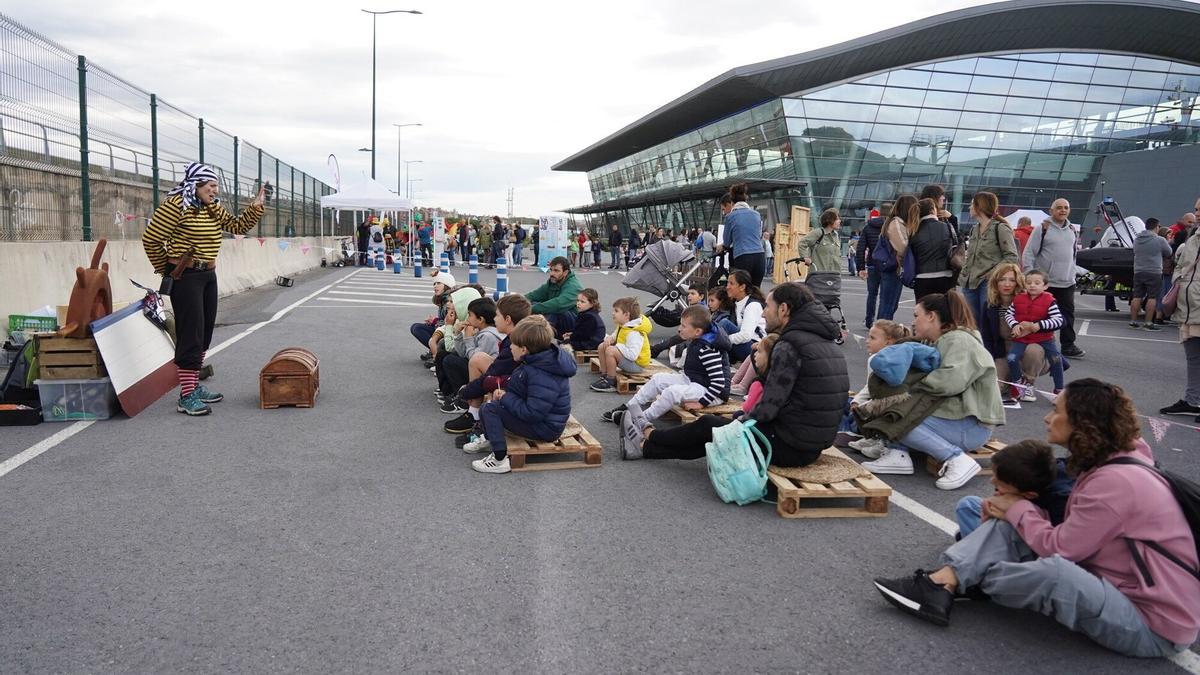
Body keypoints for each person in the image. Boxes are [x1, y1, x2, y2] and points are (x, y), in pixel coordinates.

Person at [873, 379, 1199, 658]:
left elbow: (1061, 550)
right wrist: (1013, 508)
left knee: (1052, 569)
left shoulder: (1117, 482)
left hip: (1152, 624)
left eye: (1056, 411)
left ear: (1081, 424)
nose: (1046, 417)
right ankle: (944, 581)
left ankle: (964, 577)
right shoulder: (1110, 458)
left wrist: (1016, 509)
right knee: (1001, 510)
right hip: (1112, 581)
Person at [622, 282, 849, 468]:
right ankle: (646, 448)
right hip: (809, 445)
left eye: (767, 306)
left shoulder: (790, 345)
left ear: (784, 310)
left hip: (786, 445)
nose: (763, 312)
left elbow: (769, 407)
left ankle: (649, 434)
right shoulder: (825, 343)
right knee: (718, 433)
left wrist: (738, 420)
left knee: (708, 426)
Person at [141, 162, 266, 416]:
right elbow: (151, 239)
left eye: (216, 186)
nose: (214, 190)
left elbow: (237, 226)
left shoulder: (212, 207)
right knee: (190, 334)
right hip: (186, 276)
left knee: (205, 331)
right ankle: (186, 396)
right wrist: (167, 268)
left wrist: (256, 206)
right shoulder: (176, 207)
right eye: (210, 186)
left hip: (208, 274)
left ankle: (193, 386)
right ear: (196, 185)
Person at [861, 291, 1005, 490]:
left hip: (972, 426)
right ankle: (898, 454)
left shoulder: (959, 340)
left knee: (899, 414)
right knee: (895, 411)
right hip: (958, 419)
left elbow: (949, 382)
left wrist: (908, 385)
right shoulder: (942, 339)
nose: (913, 322)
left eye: (916, 316)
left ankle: (956, 459)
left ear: (931, 316)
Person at [465, 316, 577, 474]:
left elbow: (533, 413)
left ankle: (499, 459)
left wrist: (505, 397)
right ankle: (491, 439)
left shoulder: (542, 374)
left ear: (524, 349)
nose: (510, 348)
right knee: (490, 405)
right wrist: (504, 392)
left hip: (545, 428)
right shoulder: (535, 361)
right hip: (541, 420)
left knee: (490, 409)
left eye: (513, 345)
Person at [601, 305, 730, 426]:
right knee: (658, 379)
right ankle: (630, 406)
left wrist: (702, 403)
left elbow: (719, 382)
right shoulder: (699, 339)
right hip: (696, 380)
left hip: (712, 392)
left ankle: (640, 420)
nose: (679, 329)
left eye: (683, 326)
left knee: (671, 392)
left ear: (697, 331)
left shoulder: (708, 349)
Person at [443, 295, 532, 439]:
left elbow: (493, 374)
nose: (494, 319)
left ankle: (484, 429)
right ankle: (474, 414)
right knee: (479, 360)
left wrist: (466, 392)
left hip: (522, 391)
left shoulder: (514, 344)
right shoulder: (514, 337)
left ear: (508, 319)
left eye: (497, 315)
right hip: (518, 381)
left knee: (493, 388)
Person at [953, 439, 1073, 540]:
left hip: (1035, 539)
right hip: (1027, 516)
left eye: (1000, 484)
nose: (991, 481)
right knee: (968, 504)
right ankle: (975, 540)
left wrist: (1010, 515)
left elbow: (1052, 543)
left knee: (997, 525)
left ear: (1030, 495)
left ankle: (979, 552)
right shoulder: (1038, 471)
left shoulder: (1060, 502)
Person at [977, 263, 1051, 406]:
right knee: (991, 391)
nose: (1007, 284)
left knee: (1034, 349)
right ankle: (1010, 381)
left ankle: (1027, 383)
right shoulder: (989, 305)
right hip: (1003, 354)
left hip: (1029, 352)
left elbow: (1060, 321)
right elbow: (986, 337)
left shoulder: (1032, 301)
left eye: (1011, 280)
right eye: (1002, 279)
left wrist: (1035, 326)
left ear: (1018, 282)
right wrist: (988, 363)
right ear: (995, 282)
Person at [1021, 198, 1083, 357]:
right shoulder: (1042, 228)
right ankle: (1036, 343)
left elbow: (1073, 254)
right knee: (1040, 314)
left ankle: (1068, 346)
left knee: (1067, 315)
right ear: (1051, 210)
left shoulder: (1071, 229)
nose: (1063, 210)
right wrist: (1030, 276)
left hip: (1067, 281)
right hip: (1046, 283)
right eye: (1059, 208)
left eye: (1066, 208)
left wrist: (1073, 272)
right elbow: (1029, 253)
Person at [847, 319, 916, 458]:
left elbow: (888, 393)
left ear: (888, 342)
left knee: (854, 417)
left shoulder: (890, 362)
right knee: (848, 405)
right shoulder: (874, 358)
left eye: (872, 338)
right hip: (878, 401)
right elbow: (870, 386)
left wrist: (864, 405)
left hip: (891, 405)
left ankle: (881, 440)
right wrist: (857, 400)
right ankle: (872, 437)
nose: (867, 341)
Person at [960, 191, 1019, 327]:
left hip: (987, 284)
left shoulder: (1000, 228)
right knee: (972, 323)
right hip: (969, 283)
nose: (969, 208)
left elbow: (1011, 257)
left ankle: (988, 348)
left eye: (971, 205)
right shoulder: (974, 229)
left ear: (979, 207)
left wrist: (991, 274)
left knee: (987, 323)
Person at [1161, 218, 1200, 421]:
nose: (1198, 213)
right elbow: (1181, 265)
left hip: (1196, 302)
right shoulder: (1193, 237)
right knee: (1193, 357)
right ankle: (1192, 401)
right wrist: (1178, 280)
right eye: (1197, 209)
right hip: (1188, 305)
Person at [1005, 269, 1066, 396]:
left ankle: (1059, 389)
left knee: (1056, 360)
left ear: (1045, 286)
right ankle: (1018, 383)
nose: (1032, 285)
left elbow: (1059, 320)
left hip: (1044, 338)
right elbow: (1009, 314)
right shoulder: (1018, 299)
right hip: (1021, 338)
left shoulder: (1050, 301)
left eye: (1037, 283)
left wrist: (1039, 325)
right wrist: (1014, 324)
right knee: (1011, 359)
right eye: (1029, 282)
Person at [438, 296, 501, 414]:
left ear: (480, 319)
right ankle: (456, 393)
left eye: (470, 315)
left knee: (451, 360)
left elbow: (474, 359)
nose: (468, 317)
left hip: (487, 374)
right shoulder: (479, 330)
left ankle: (464, 400)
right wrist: (458, 334)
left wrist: (468, 338)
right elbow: (463, 353)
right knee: (446, 356)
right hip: (481, 370)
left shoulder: (487, 336)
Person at [590, 297, 653, 393]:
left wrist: (617, 346)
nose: (613, 313)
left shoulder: (634, 333)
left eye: (616, 311)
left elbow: (633, 356)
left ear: (626, 315)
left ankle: (610, 381)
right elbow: (615, 335)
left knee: (610, 350)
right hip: (629, 359)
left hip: (637, 365)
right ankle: (604, 375)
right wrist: (609, 339)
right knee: (602, 346)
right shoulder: (623, 325)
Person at [875, 196, 918, 321]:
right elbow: (902, 246)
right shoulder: (896, 223)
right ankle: (882, 334)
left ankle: (883, 332)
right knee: (888, 305)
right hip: (893, 268)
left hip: (895, 268)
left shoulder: (897, 222)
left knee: (890, 304)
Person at [716, 183, 767, 287]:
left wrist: (721, 246)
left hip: (743, 257)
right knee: (756, 290)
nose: (724, 212)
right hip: (760, 256)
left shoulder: (731, 217)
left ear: (730, 203)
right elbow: (758, 235)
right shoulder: (756, 214)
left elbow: (727, 242)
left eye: (723, 209)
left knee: (741, 291)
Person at [908, 198, 957, 302]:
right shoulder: (947, 226)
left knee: (923, 311)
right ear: (932, 210)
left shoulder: (913, 230)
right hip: (945, 275)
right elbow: (957, 245)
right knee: (945, 312)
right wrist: (952, 218)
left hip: (922, 276)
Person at [1130, 218, 1173, 330]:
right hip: (1154, 271)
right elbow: (1169, 252)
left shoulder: (1137, 239)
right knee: (1152, 297)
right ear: (1157, 227)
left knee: (1137, 296)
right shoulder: (1159, 240)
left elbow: (1134, 251)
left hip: (1138, 270)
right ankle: (1148, 323)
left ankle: (1133, 321)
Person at [525, 256, 583, 339]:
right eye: (551, 270)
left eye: (556, 271)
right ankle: (525, 332)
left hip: (575, 324)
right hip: (558, 319)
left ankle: (539, 339)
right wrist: (517, 303)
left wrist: (531, 309)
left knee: (555, 311)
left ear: (565, 272)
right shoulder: (552, 282)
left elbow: (558, 304)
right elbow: (533, 295)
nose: (552, 273)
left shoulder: (573, 286)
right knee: (529, 303)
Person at [720, 269, 767, 364]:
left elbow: (746, 335)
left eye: (731, 284)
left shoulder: (752, 305)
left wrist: (723, 339)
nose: (727, 287)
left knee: (725, 324)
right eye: (727, 283)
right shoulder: (737, 303)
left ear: (742, 287)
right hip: (745, 346)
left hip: (756, 348)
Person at [857, 202, 888, 328]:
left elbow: (861, 248)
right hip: (887, 265)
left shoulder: (868, 227)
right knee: (885, 295)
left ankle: (869, 320)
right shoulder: (891, 226)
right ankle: (882, 322)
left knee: (872, 294)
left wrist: (860, 267)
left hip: (872, 264)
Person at [412, 272, 456, 357]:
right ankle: (434, 350)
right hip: (444, 329)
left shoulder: (449, 300)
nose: (435, 286)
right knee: (416, 327)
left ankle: (438, 353)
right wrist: (434, 321)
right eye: (434, 284)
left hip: (450, 331)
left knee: (417, 328)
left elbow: (451, 322)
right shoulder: (442, 299)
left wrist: (435, 321)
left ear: (447, 285)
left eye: (439, 283)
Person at [797, 208, 843, 274]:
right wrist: (805, 257)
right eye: (837, 219)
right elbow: (802, 243)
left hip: (835, 276)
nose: (839, 221)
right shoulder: (818, 233)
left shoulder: (836, 236)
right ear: (830, 220)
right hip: (818, 275)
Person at [561, 288, 607, 353]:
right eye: (578, 300)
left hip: (590, 345)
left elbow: (582, 335)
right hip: (588, 341)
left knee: (563, 344)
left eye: (582, 302)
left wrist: (569, 338)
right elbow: (583, 331)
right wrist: (571, 334)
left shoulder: (589, 317)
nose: (578, 303)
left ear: (592, 304)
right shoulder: (588, 313)